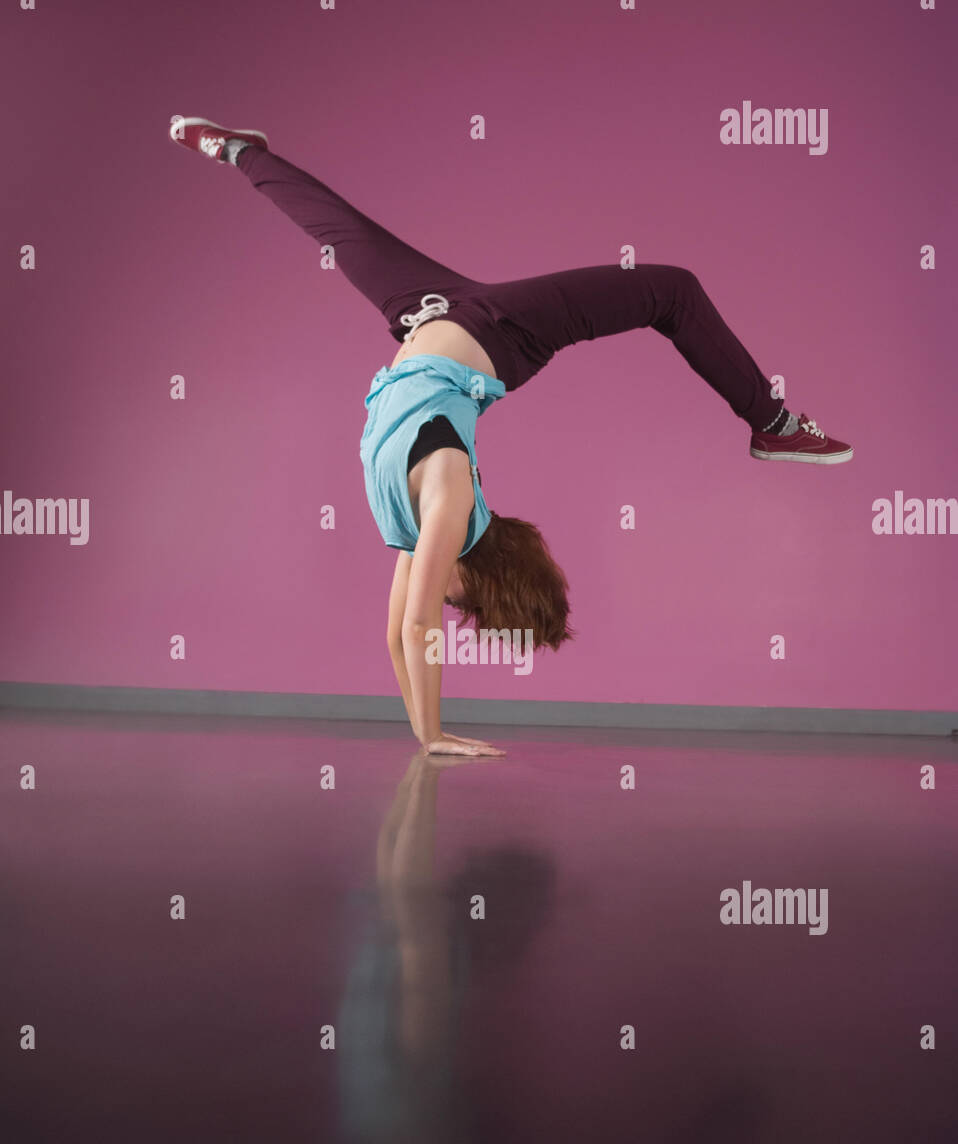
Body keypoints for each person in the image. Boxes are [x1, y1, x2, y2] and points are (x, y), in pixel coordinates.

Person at [170, 117, 853, 758]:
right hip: (503, 333)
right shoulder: (451, 500)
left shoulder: (413, 529)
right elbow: (415, 630)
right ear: (484, 571)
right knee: (672, 291)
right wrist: (437, 734)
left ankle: (241, 152)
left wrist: (421, 735)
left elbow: (394, 634)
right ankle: (773, 425)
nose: (440, 593)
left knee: (340, 229)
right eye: (456, 593)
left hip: (425, 313)